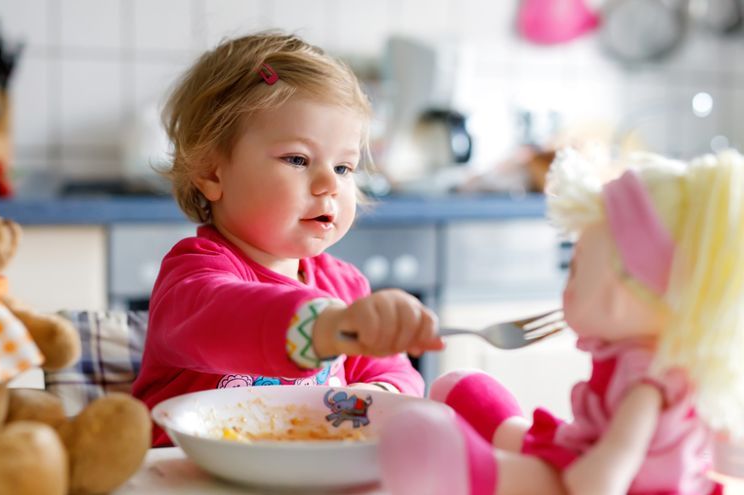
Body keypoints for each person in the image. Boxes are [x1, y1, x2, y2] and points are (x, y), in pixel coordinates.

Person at [131, 32, 445, 447]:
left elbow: (395, 374)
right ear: (211, 173)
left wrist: (377, 401)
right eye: (297, 159)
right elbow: (225, 318)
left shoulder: (347, 288)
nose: (329, 184)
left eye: (345, 167)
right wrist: (325, 326)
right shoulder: (193, 273)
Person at [378, 149, 744, 494]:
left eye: (577, 267)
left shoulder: (647, 384)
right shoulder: (658, 363)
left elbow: (608, 472)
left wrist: (573, 482)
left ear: (620, 295)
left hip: (604, 481)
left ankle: (475, 472)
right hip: (584, 450)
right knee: (467, 393)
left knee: (528, 474)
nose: (568, 280)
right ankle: (495, 436)